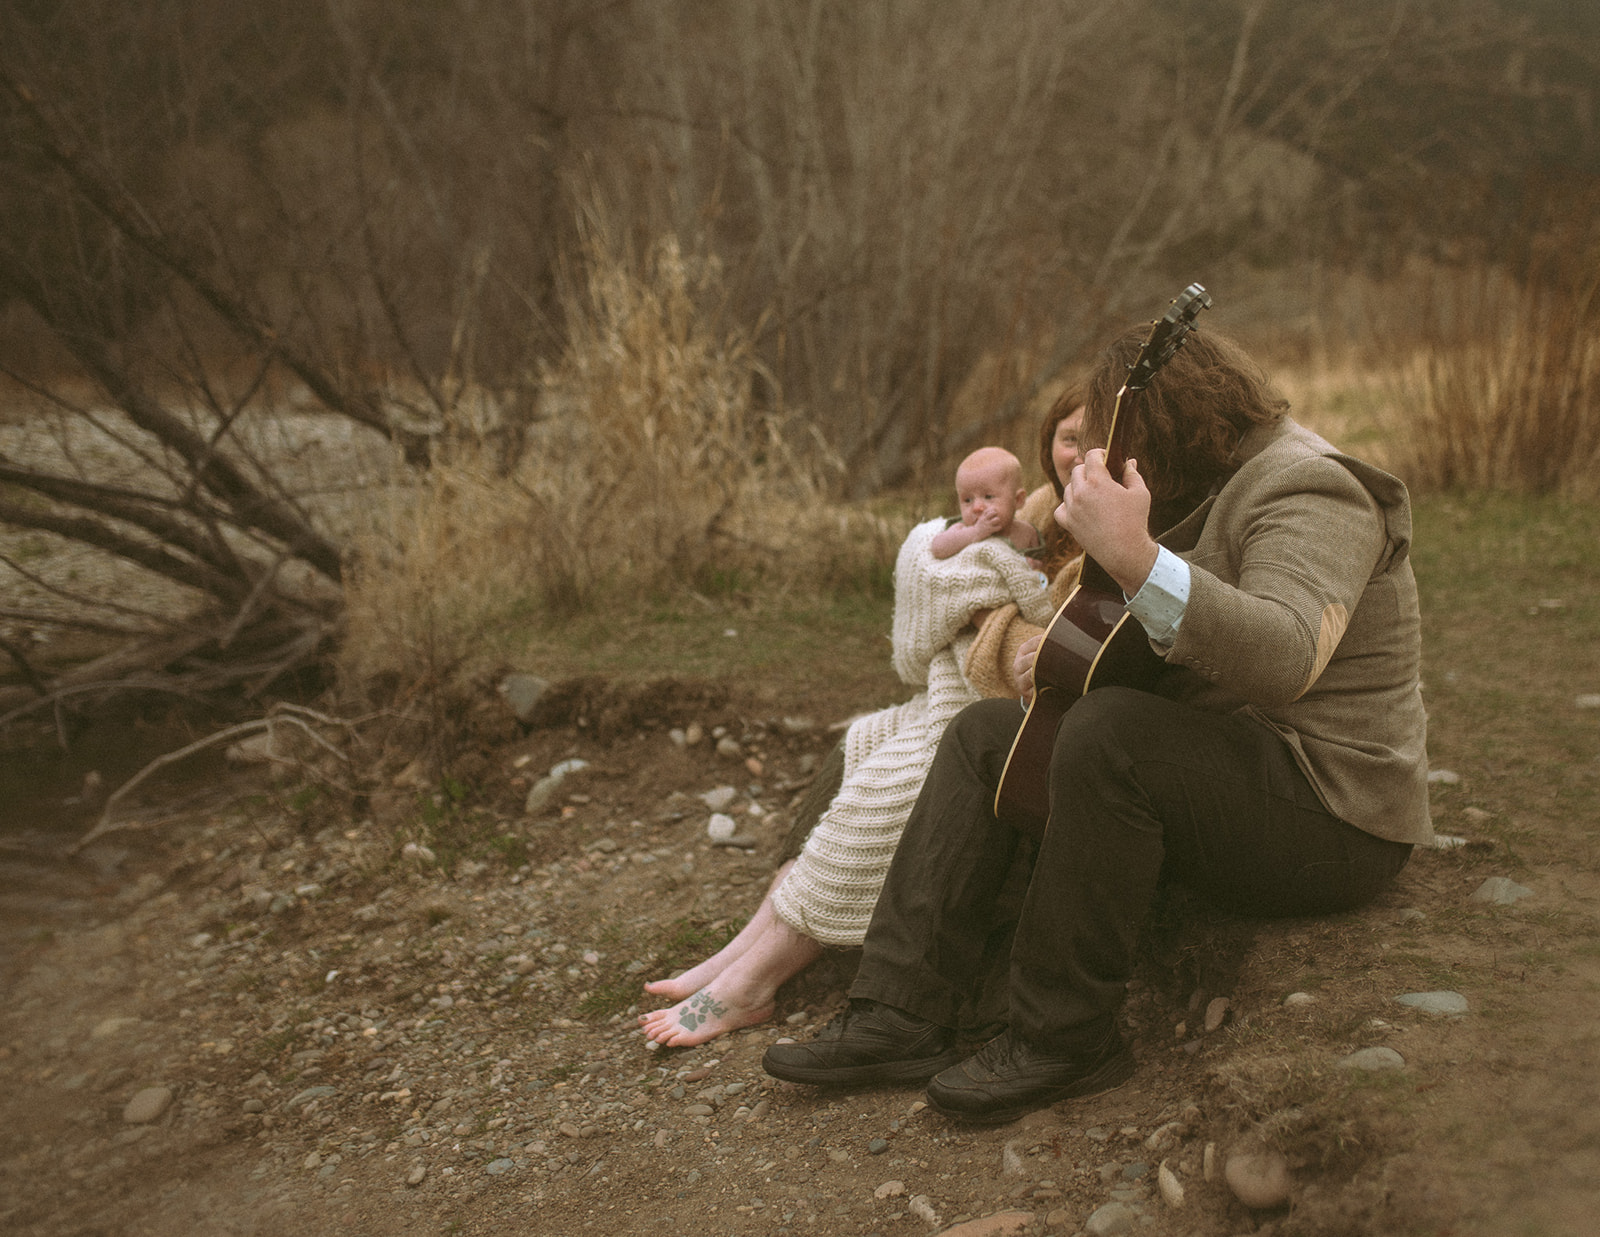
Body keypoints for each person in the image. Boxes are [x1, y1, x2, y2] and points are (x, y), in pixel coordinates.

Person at [760, 324, 1431, 1126]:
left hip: (1335, 813)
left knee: (1111, 733)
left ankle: (1066, 1036)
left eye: (1125, 441)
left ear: (1176, 424)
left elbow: (1287, 653)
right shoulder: (1208, 481)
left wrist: (1138, 557)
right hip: (1233, 772)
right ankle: (900, 1012)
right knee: (981, 736)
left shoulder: (1310, 488)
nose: (1112, 460)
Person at [638, 393, 1090, 1049]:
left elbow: (1047, 630)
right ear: (1046, 446)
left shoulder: (1099, 521)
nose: (1078, 451)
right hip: (962, 691)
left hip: (1010, 718)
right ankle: (744, 947)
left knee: (888, 788)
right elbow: (934, 556)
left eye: (1095, 436)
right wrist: (973, 588)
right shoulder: (1042, 508)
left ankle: (755, 979)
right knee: (869, 740)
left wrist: (987, 613)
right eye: (1067, 436)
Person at [930, 447, 1041, 561]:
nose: (977, 507)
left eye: (988, 497)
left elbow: (1043, 564)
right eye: (968, 500)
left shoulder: (1027, 533)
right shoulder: (963, 529)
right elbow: (937, 548)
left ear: (1018, 500)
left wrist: (1034, 565)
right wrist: (975, 533)